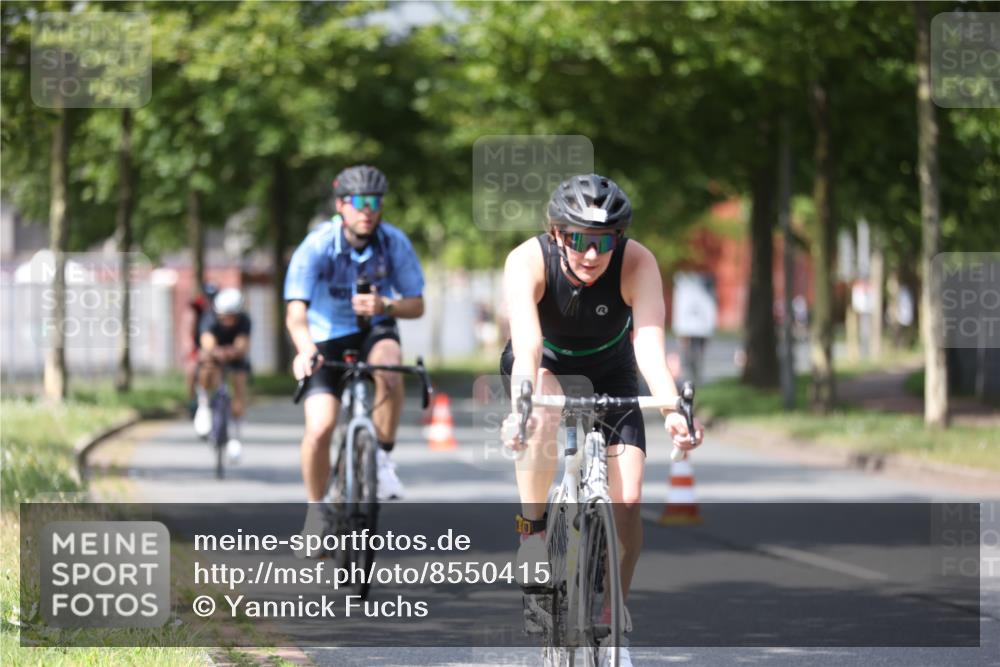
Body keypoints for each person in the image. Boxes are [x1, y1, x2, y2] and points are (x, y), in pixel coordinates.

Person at [500, 174, 705, 666]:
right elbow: (527, 346)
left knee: (628, 500)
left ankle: (614, 620)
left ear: (620, 238)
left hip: (612, 370)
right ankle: (533, 532)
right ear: (556, 234)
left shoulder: (638, 263)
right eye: (579, 240)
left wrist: (674, 408)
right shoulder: (528, 260)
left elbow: (650, 348)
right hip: (545, 364)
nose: (591, 255)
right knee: (544, 415)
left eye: (604, 242)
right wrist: (520, 408)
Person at [284, 165, 425, 554]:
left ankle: (381, 459)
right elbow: (296, 312)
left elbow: (416, 304)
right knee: (320, 428)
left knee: (391, 367)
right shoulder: (317, 246)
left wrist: (387, 303)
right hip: (326, 337)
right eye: (360, 202)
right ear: (341, 205)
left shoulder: (393, 242)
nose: (368, 210)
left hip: (374, 329)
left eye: (375, 202)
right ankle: (317, 511)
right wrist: (304, 347)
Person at [193, 287, 252, 463]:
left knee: (239, 384)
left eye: (231, 317)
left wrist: (233, 352)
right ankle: (203, 404)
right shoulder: (209, 318)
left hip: (234, 356)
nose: (226, 321)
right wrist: (215, 352)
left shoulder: (245, 321)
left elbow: (242, 345)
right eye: (223, 317)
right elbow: (207, 342)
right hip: (214, 354)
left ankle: (235, 435)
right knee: (207, 367)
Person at [185, 283, 218, 416]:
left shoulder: (220, 309)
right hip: (197, 345)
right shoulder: (196, 308)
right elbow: (188, 328)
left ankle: (215, 397)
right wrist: (190, 347)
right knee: (192, 370)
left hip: (213, 345)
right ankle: (192, 401)